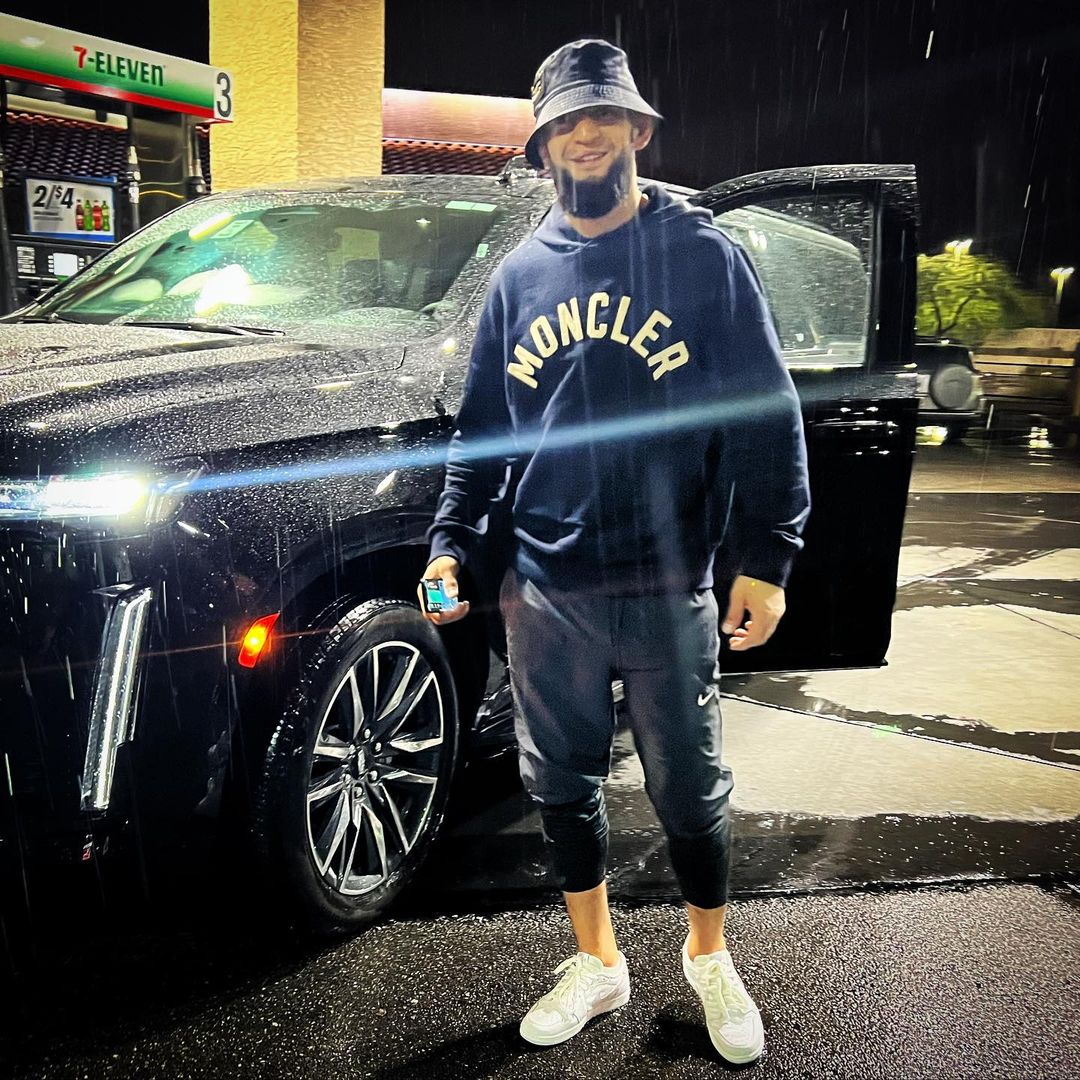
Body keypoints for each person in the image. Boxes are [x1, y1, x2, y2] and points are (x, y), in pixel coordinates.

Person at [419, 38, 810, 1065]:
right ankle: (598, 961)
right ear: (544, 142)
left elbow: (766, 412)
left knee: (690, 788)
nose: (585, 134)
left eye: (603, 115)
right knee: (559, 782)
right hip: (547, 587)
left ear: (637, 129)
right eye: (566, 120)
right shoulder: (519, 275)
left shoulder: (702, 255)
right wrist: (451, 543)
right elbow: (482, 431)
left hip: (670, 578)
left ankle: (708, 955)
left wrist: (768, 557)